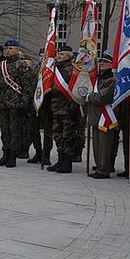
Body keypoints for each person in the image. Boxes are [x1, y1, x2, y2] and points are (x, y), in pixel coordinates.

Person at [0, 39, 32, 168]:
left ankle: (13, 156)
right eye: (7, 48)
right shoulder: (1, 65)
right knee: (4, 131)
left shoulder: (21, 65)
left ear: (17, 50)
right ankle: (5, 154)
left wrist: (24, 104)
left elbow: (27, 87)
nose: (8, 50)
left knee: (15, 131)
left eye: (11, 48)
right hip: (2, 103)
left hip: (16, 104)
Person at [84, 52, 117, 179]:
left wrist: (89, 96)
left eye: (106, 62)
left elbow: (102, 97)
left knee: (104, 145)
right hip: (95, 115)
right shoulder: (98, 78)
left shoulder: (112, 80)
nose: (102, 64)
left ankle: (104, 169)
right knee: (97, 144)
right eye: (101, 61)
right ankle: (99, 167)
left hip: (105, 116)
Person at [48, 45, 79, 173]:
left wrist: (74, 106)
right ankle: (60, 159)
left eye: (61, 54)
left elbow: (77, 89)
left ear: (69, 56)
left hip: (67, 108)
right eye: (58, 54)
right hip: (56, 107)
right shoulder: (54, 69)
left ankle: (67, 162)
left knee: (68, 136)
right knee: (58, 135)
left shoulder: (73, 70)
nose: (58, 56)